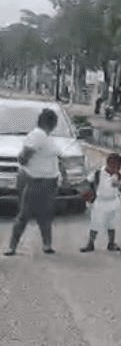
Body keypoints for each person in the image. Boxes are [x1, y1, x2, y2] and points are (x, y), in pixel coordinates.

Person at [4, 109, 66, 256]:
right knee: (25, 214)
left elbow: (55, 158)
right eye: (54, 122)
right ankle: (12, 247)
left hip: (48, 182)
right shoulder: (37, 135)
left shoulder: (45, 137)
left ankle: (47, 245)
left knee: (45, 215)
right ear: (49, 122)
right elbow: (24, 157)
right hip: (37, 181)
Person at [81, 153, 121, 252]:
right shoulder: (98, 173)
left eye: (119, 167)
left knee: (112, 224)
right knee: (95, 223)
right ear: (109, 164)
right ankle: (90, 244)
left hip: (113, 202)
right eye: (116, 166)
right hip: (100, 201)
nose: (118, 169)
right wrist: (87, 193)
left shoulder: (117, 175)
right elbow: (87, 183)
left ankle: (111, 243)